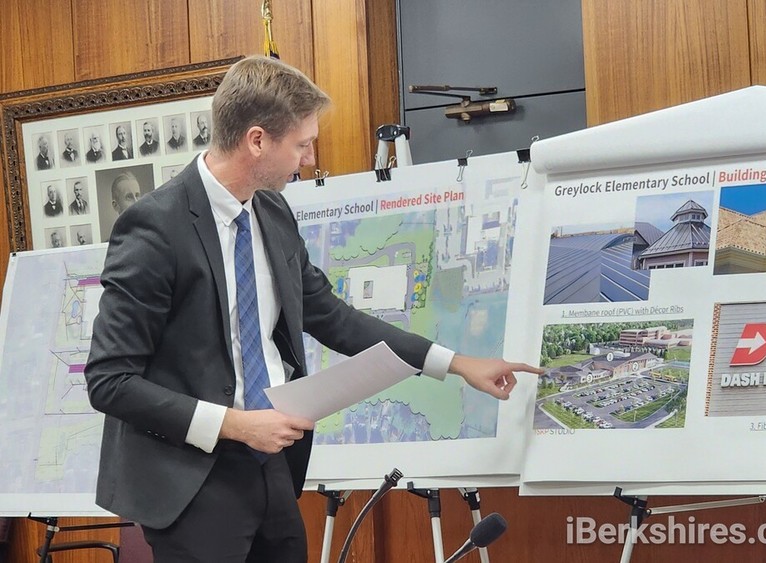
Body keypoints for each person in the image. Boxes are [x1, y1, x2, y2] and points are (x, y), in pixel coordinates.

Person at [84, 55, 541, 563]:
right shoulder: (154, 229)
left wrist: (457, 363)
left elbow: (332, 317)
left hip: (270, 464)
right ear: (257, 140)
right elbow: (110, 380)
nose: (308, 159)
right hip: (191, 478)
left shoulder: (272, 211)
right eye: (301, 145)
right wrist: (237, 423)